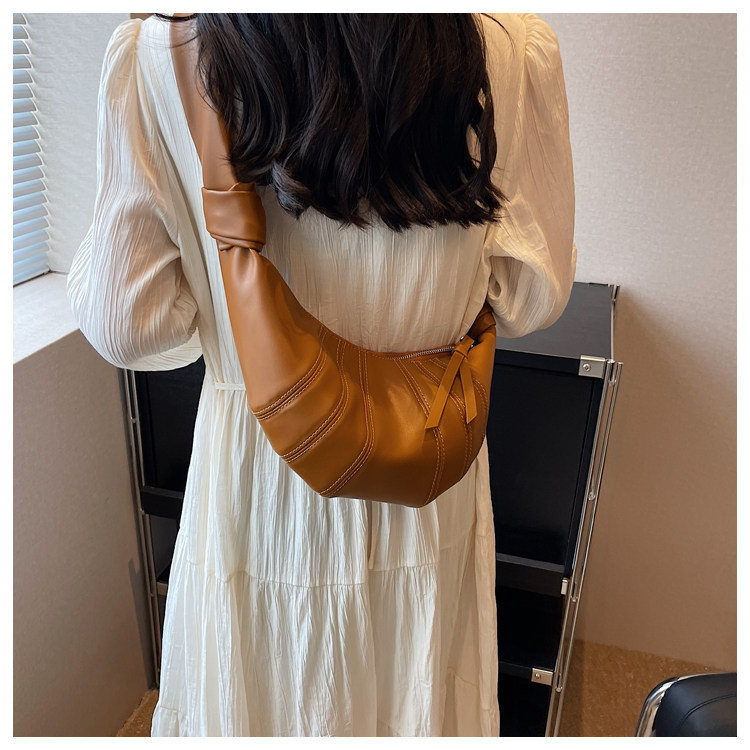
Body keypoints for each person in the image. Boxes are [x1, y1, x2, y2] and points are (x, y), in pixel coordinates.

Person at [67, 13, 576, 737]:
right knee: (415, 698)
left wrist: (230, 326)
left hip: (258, 483)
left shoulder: (164, 53)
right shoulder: (510, 50)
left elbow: (131, 323)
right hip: (424, 471)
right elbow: (529, 298)